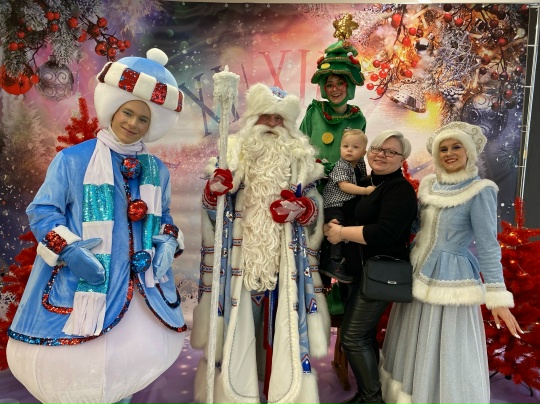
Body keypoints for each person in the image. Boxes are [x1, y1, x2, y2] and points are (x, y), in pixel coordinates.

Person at [6, 48, 187, 404]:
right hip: (84, 284)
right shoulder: (73, 160)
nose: (133, 123)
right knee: (77, 367)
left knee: (129, 365)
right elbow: (43, 210)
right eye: (128, 112)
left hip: (141, 291)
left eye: (143, 119)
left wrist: (167, 241)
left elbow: (164, 216)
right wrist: (70, 251)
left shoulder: (157, 171)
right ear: (113, 108)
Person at [191, 84, 330, 404]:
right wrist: (214, 192)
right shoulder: (232, 158)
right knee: (238, 330)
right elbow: (213, 214)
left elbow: (314, 210)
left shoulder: (301, 163)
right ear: (253, 119)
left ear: (289, 125)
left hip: (285, 263)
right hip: (239, 263)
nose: (271, 124)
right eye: (265, 116)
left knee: (282, 329)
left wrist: (304, 209)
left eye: (279, 119)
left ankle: (279, 391)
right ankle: (235, 394)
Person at [379, 121, 523, 404]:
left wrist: (497, 295)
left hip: (450, 279)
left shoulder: (480, 190)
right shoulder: (429, 186)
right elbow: (414, 226)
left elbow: (488, 246)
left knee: (445, 346)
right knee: (412, 340)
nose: (449, 153)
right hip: (416, 272)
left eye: (456, 147)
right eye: (443, 149)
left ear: (469, 152)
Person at [324, 130, 418, 404]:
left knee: (352, 337)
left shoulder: (399, 189)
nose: (381, 155)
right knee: (362, 336)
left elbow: (385, 233)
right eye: (377, 148)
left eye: (391, 152)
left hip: (378, 274)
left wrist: (341, 233)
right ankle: (370, 395)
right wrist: (333, 223)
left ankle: (372, 399)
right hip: (358, 273)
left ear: (402, 159)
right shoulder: (365, 182)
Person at [321, 128, 375, 283]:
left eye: (355, 147)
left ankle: (340, 259)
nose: (349, 150)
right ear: (340, 149)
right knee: (336, 227)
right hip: (334, 204)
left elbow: (361, 179)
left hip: (346, 203)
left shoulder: (359, 164)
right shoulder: (341, 165)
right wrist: (366, 190)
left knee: (347, 228)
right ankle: (334, 262)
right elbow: (344, 186)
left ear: (364, 152)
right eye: (345, 146)